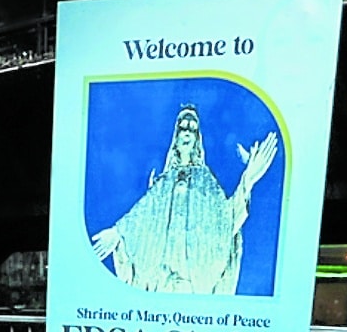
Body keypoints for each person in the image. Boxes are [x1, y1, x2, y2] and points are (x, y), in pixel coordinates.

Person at [88, 104, 278, 295]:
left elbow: (226, 221)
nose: (187, 132)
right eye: (183, 127)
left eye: (192, 128)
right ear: (176, 137)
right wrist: (118, 232)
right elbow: (141, 216)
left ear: (197, 139)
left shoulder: (206, 182)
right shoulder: (163, 182)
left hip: (191, 283)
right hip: (161, 282)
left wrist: (248, 180)